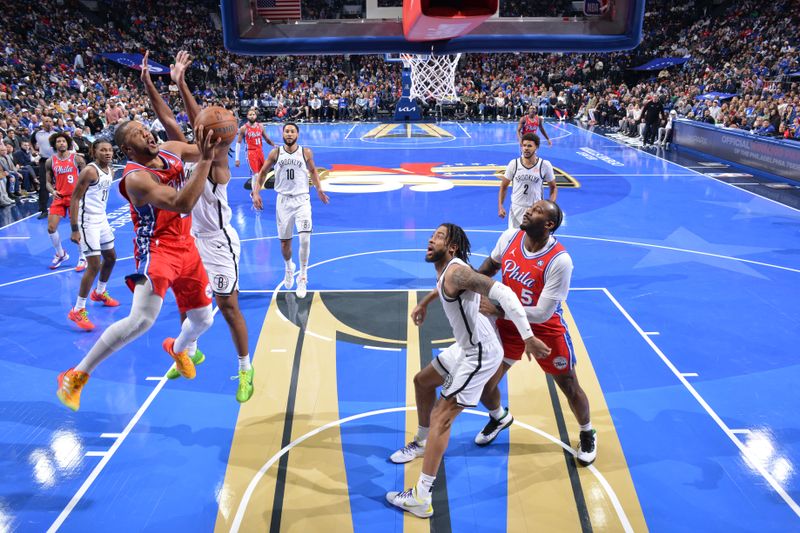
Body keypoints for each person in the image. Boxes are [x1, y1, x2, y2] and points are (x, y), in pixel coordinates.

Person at [386, 223, 550, 518]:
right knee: (422, 382)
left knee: (442, 415)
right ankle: (423, 442)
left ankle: (422, 497)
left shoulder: (457, 272)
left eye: (438, 236)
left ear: (451, 248)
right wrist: (424, 302)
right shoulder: (450, 271)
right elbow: (445, 289)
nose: (430, 238)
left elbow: (507, 296)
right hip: (466, 346)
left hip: (480, 353)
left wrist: (527, 337)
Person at [55, 120, 220, 412]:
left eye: (145, 127)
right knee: (142, 320)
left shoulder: (171, 150)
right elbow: (182, 203)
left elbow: (209, 148)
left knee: (205, 321)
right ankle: (76, 374)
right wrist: (206, 159)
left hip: (187, 246)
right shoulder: (135, 178)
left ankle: (178, 348)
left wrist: (216, 133)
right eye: (136, 133)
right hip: (157, 248)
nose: (146, 132)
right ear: (128, 148)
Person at [142, 50, 255, 401]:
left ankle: (245, 368)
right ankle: (188, 351)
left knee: (229, 306)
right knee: (187, 300)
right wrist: (152, 84)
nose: (201, 132)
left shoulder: (219, 165)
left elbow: (200, 122)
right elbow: (169, 119)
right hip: (192, 239)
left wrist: (183, 85)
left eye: (207, 132)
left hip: (220, 241)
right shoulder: (187, 153)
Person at [476, 200, 596, 465]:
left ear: (549, 225)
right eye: (531, 208)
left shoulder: (560, 261)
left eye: (538, 210)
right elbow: (490, 266)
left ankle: (587, 432)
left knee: (568, 384)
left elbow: (543, 312)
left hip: (544, 330)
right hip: (507, 325)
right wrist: (467, 280)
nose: (529, 210)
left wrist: (500, 310)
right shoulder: (510, 237)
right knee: (484, 384)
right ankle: (499, 417)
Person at [252, 122, 329, 299]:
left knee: (304, 239)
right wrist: (256, 192)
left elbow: (313, 172)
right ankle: (289, 267)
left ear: (297, 134)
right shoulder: (275, 153)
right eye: (286, 131)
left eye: (292, 131)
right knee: (285, 245)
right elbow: (263, 173)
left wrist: (319, 189)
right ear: (283, 134)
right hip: (283, 201)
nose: (289, 134)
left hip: (302, 200)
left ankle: (303, 276)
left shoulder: (306, 152)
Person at [67, 140, 119, 331]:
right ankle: (78, 309)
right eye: (103, 150)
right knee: (94, 264)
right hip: (87, 221)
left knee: (111, 257)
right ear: (94, 152)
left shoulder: (111, 170)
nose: (107, 153)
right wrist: (74, 228)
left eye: (110, 150)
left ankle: (99, 292)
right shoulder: (90, 171)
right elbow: (75, 198)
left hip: (102, 218)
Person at [46, 132, 87, 271]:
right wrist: (52, 191)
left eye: (64, 141)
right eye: (59, 141)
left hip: (75, 198)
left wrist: (83, 191)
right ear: (54, 144)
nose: (61, 143)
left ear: (68, 143)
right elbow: (47, 182)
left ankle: (82, 257)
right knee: (51, 228)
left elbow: (86, 177)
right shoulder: (50, 161)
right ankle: (61, 254)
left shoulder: (77, 159)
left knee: (77, 228)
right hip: (59, 198)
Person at [498, 132, 557, 230]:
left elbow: (553, 187)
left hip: (536, 210)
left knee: (534, 241)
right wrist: (500, 206)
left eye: (529, 146)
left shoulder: (544, 165)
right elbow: (503, 186)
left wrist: (549, 206)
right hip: (516, 208)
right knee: (515, 240)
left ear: (536, 147)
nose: (526, 148)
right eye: (524, 145)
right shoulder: (514, 164)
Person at [234, 108, 275, 187]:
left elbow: (267, 139)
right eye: (250, 115)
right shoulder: (244, 128)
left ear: (256, 116)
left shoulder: (260, 126)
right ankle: (254, 194)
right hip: (250, 152)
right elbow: (238, 143)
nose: (252, 116)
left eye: (253, 114)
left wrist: (274, 145)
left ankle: (255, 192)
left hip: (260, 151)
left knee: (262, 173)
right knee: (255, 174)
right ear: (247, 116)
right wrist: (237, 159)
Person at [31, 116, 57, 219]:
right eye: (46, 121)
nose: (48, 123)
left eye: (50, 121)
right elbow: (31, 141)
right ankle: (43, 209)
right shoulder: (37, 134)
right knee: (43, 185)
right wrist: (33, 150)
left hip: (56, 160)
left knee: (61, 183)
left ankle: (65, 205)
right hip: (44, 161)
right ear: (42, 123)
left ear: (52, 123)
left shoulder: (56, 134)